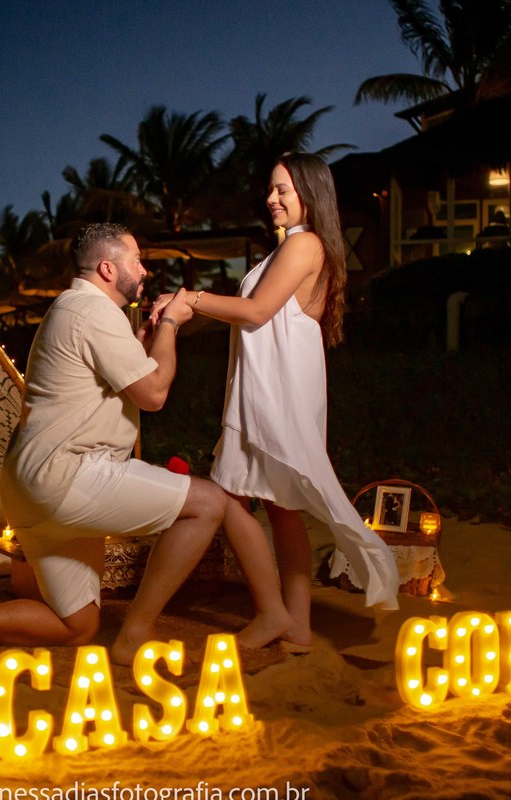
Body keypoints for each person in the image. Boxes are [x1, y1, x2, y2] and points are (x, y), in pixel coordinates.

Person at [0, 222, 285, 671]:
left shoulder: (74, 309)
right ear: (108, 268)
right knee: (207, 503)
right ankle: (136, 632)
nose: (144, 270)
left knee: (78, 624)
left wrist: (149, 338)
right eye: (136, 260)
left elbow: (125, 375)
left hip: (30, 486)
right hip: (67, 476)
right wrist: (169, 323)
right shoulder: (93, 312)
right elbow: (153, 394)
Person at [153, 153, 399, 652]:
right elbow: (255, 312)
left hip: (279, 389)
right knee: (279, 507)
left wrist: (191, 299)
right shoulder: (296, 247)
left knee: (232, 498)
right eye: (270, 189)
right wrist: (181, 314)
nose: (271, 199)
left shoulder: (304, 244)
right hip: (272, 384)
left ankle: (273, 615)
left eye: (282, 190)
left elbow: (258, 311)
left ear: (310, 193)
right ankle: (298, 627)